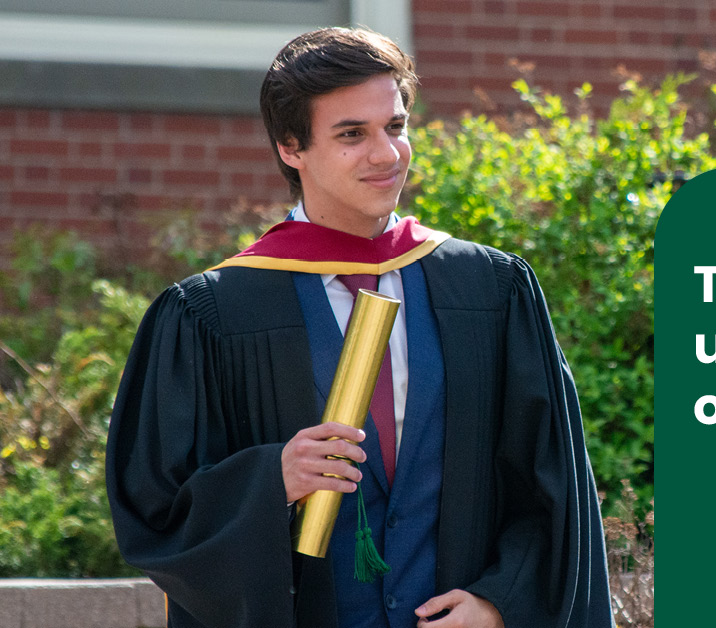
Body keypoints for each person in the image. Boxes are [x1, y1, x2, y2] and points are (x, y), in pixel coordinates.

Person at [106, 27, 613, 628]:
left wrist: (501, 601)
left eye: (395, 127)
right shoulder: (212, 314)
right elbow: (153, 509)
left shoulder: (489, 290)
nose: (386, 154)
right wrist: (272, 481)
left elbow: (552, 484)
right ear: (291, 147)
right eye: (353, 134)